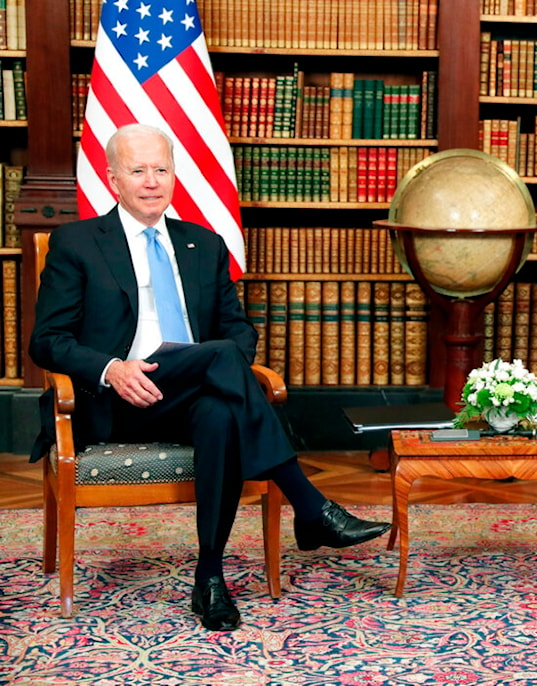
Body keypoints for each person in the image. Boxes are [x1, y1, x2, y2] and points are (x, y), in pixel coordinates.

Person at [29, 123, 391, 631]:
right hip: (117, 401)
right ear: (113, 179)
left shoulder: (204, 243)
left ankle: (210, 578)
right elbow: (47, 341)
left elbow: (238, 330)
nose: (152, 181)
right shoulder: (77, 243)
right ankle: (309, 507)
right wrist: (113, 368)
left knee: (221, 400)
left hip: (192, 396)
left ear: (175, 174)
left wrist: (215, 364)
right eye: (138, 171)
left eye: (162, 169)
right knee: (220, 367)